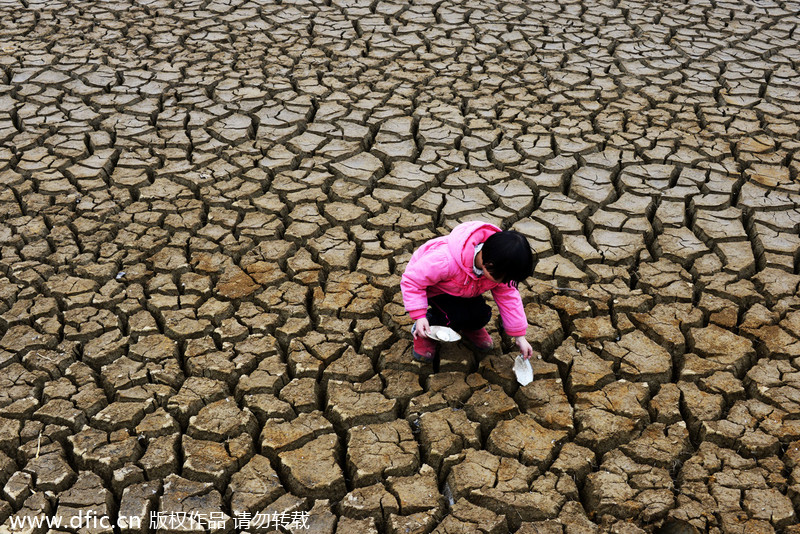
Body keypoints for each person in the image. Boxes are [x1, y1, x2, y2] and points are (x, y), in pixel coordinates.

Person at [400, 220, 535, 362]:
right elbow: (412, 281)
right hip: (436, 288)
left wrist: (519, 336)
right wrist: (419, 316)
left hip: (466, 289)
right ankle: (424, 331)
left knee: (482, 315)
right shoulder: (444, 261)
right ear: (489, 265)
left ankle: (470, 328)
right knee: (451, 317)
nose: (504, 283)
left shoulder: (501, 266)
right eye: (503, 280)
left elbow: (509, 297)